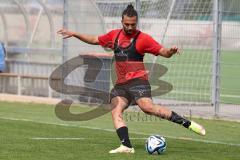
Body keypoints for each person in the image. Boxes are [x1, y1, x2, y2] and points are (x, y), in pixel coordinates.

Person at [58, 4, 206, 154]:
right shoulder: (114, 36)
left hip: (138, 81)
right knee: (115, 110)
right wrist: (75, 33)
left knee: (147, 108)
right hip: (121, 84)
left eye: (133, 24)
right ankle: (127, 146)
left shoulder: (143, 39)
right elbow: (94, 39)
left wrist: (170, 51)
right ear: (121, 22)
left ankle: (187, 123)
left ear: (137, 22)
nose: (129, 27)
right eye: (127, 24)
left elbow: (163, 51)